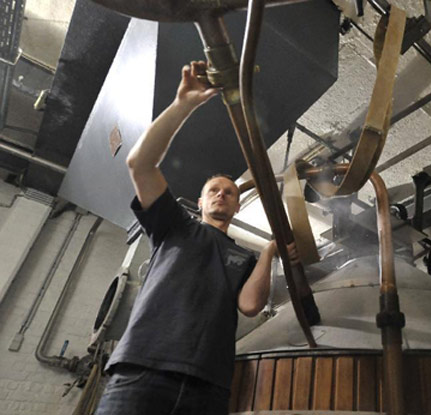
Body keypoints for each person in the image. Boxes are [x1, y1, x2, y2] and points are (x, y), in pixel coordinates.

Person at [95, 60, 299, 415]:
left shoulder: (244, 257)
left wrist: (269, 252)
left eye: (230, 192)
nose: (222, 194)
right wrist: (184, 104)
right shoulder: (174, 226)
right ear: (201, 202)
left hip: (209, 383)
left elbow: (250, 305)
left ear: (236, 207)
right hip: (143, 370)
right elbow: (140, 164)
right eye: (214, 190)